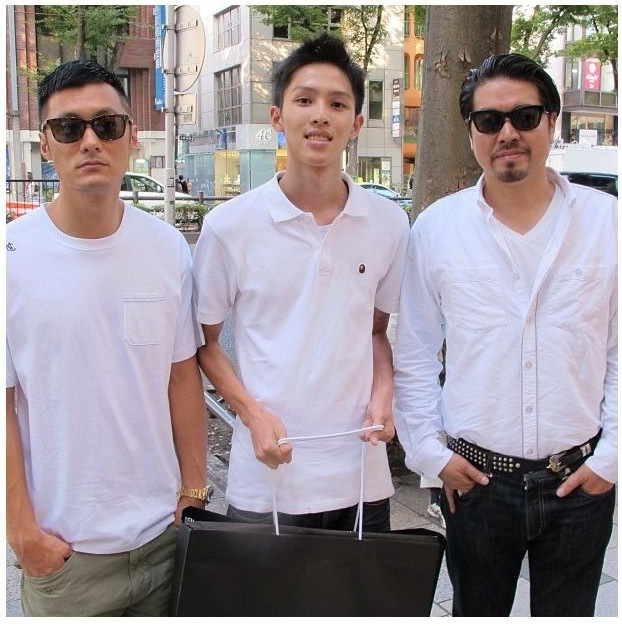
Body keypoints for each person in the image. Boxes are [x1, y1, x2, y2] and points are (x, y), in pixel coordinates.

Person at [393, 53, 616, 617]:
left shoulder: (606, 222)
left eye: (525, 116)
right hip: (476, 484)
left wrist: (610, 459)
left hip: (580, 479)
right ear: (471, 131)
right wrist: (429, 454)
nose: (508, 133)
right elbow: (415, 352)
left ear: (552, 121)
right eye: (490, 120)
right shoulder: (438, 229)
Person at [6, 60, 208, 617]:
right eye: (69, 128)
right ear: (46, 145)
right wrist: (21, 530)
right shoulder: (11, 257)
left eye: (107, 125)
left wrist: (194, 491)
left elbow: (182, 376)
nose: (90, 141)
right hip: (66, 554)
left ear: (132, 137)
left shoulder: (167, 249)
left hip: (164, 539)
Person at [193, 32, 409, 531]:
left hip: (360, 476)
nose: (320, 116)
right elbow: (205, 343)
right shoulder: (229, 226)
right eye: (305, 100)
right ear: (277, 116)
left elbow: (377, 331)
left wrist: (385, 393)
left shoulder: (389, 223)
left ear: (356, 123)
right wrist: (250, 413)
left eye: (338, 104)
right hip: (267, 476)